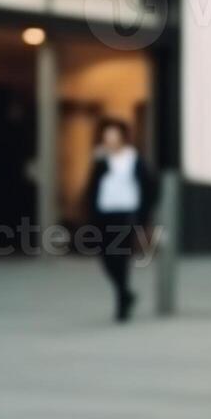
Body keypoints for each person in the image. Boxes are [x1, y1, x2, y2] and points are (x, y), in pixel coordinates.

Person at [84, 118, 158, 322]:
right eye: (107, 137)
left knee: (120, 257)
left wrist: (143, 216)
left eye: (114, 137)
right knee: (106, 258)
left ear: (123, 138)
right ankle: (125, 292)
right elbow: (92, 188)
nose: (110, 141)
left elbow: (149, 188)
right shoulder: (101, 159)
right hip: (104, 214)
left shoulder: (134, 159)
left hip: (126, 214)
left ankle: (121, 302)